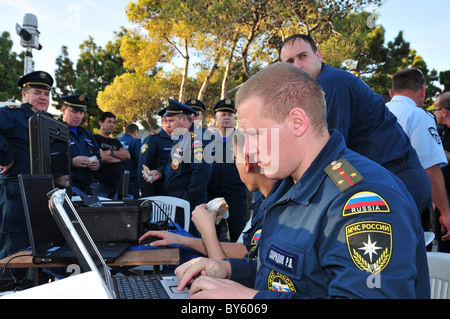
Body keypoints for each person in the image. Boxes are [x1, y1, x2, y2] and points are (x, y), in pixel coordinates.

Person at [175, 62, 430, 299]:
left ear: (297, 122)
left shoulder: (363, 198)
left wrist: (249, 298)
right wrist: (229, 270)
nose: (248, 151)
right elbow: (285, 278)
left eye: (254, 134)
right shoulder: (288, 185)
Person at [279, 34, 432, 217]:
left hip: (397, 181)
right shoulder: (311, 92)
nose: (297, 65)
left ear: (318, 55)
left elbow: (328, 153)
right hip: (386, 181)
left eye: (303, 56)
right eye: (289, 61)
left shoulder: (330, 84)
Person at [139, 131, 277, 260]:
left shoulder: (277, 210)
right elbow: (246, 251)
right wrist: (182, 240)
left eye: (235, 158)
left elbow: (243, 268)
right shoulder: (267, 202)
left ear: (247, 163)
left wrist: (207, 230)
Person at [386, 69, 450, 235]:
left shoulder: (377, 112)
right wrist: (445, 212)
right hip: (409, 207)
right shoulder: (418, 116)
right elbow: (430, 168)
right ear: (422, 90)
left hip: (375, 202)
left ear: (392, 92)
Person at [0, 71, 53, 262]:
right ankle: (8, 289)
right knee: (13, 249)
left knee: (37, 248)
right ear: (24, 95)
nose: (43, 97)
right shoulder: (11, 114)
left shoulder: (47, 121)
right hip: (16, 189)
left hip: (42, 189)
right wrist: (6, 158)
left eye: (46, 94)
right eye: (37, 92)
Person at [143, 99, 212, 236]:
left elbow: (201, 172)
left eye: (172, 120)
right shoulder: (180, 138)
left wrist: (186, 198)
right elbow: (175, 165)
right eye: (167, 120)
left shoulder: (196, 140)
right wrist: (160, 173)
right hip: (179, 201)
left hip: (189, 204)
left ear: (184, 119)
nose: (167, 125)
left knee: (190, 243)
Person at [206, 99, 248, 242]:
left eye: (230, 115)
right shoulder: (207, 140)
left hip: (236, 195)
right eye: (223, 114)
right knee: (212, 237)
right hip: (212, 195)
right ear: (216, 117)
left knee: (239, 236)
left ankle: (238, 264)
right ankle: (213, 264)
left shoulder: (243, 139)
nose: (226, 117)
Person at [61, 94, 101, 196]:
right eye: (74, 112)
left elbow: (97, 155)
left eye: (81, 112)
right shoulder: (54, 131)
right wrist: (71, 162)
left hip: (87, 189)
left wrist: (97, 164)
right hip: (65, 189)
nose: (78, 116)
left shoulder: (87, 134)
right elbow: (46, 161)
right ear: (63, 110)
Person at [92, 112, 130, 199]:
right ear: (100, 123)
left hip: (115, 185)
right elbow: (102, 157)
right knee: (100, 211)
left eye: (113, 122)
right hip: (99, 184)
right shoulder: (95, 139)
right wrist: (119, 158)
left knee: (113, 211)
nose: (112, 125)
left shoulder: (116, 142)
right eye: (109, 121)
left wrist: (111, 152)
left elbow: (127, 155)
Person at [139, 107, 173, 197]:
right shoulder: (153, 140)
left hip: (176, 193)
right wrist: (149, 198)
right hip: (159, 194)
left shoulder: (179, 139)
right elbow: (144, 170)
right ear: (166, 120)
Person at [433, 92, 450, 251]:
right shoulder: (443, 131)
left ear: (444, 111)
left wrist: (444, 154)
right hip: (443, 196)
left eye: (435, 110)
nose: (433, 114)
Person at [118, 123, 141, 199]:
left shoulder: (117, 141)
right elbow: (140, 160)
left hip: (118, 180)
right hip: (132, 179)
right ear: (135, 132)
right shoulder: (135, 142)